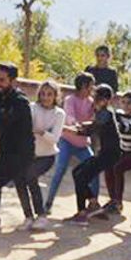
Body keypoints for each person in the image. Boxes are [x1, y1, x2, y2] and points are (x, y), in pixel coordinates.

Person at [65, 85, 120, 225]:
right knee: (77, 172)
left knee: (81, 177)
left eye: (98, 98)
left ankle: (82, 215)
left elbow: (90, 130)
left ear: (106, 100)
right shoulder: (104, 112)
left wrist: (68, 129)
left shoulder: (105, 113)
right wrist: (81, 125)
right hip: (105, 153)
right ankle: (94, 204)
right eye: (96, 98)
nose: (95, 101)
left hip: (109, 155)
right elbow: (94, 124)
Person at [0, 63, 34, 230]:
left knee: (20, 183)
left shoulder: (21, 102)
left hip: (17, 151)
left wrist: (26, 157)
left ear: (13, 81)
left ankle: (29, 216)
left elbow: (25, 132)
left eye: (2, 80)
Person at [45, 73, 97, 212]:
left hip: (83, 144)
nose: (92, 89)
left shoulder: (91, 102)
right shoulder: (70, 100)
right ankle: (48, 203)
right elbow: (70, 118)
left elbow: (94, 119)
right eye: (91, 86)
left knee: (94, 170)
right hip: (67, 141)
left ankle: (94, 204)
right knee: (60, 170)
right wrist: (78, 125)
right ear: (83, 86)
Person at [17, 80, 64, 230]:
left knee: (30, 176)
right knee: (19, 180)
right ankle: (28, 216)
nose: (45, 97)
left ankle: (41, 215)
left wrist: (40, 132)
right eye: (43, 94)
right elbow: (25, 127)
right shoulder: (32, 108)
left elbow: (54, 138)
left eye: (49, 94)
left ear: (55, 96)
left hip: (46, 156)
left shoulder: (59, 114)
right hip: (28, 154)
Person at [104, 90, 131, 214]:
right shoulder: (118, 115)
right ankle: (113, 200)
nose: (126, 106)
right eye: (123, 102)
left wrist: (117, 125)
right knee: (108, 166)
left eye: (129, 103)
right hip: (125, 152)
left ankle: (118, 202)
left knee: (118, 168)